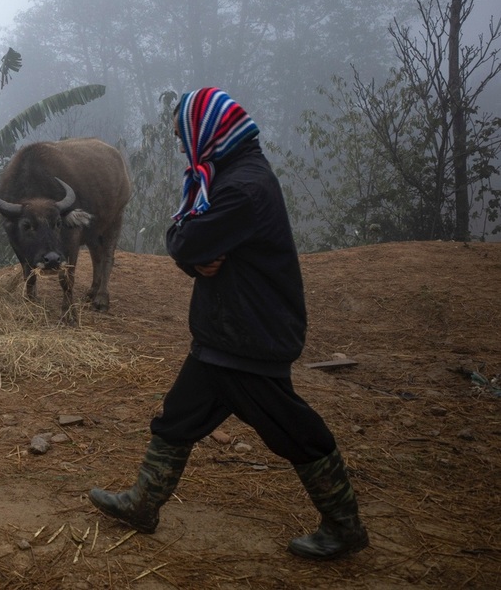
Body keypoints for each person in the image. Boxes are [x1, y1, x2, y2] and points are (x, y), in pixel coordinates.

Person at [88, 87, 369, 560]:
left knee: (293, 429)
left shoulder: (242, 189)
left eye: (184, 135)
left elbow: (184, 240)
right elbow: (192, 244)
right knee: (178, 416)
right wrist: (195, 253)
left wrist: (192, 249)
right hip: (227, 332)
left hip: (248, 338)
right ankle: (143, 503)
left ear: (207, 131)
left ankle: (344, 525)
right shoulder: (232, 175)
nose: (182, 145)